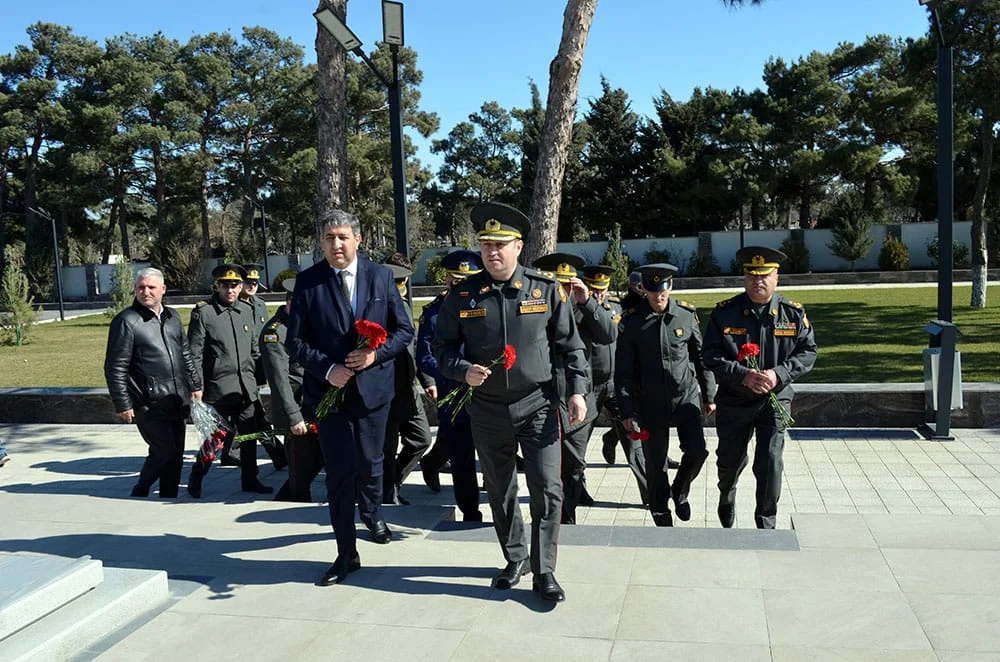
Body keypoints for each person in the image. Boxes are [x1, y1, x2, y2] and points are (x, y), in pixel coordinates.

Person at [434, 201, 589, 603]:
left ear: (519, 247)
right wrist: (461, 370)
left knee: (547, 489)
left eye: (500, 244)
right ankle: (515, 558)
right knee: (500, 490)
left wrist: (577, 390)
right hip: (487, 409)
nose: (492, 252)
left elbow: (571, 347)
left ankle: (545, 569)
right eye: (486, 244)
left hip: (537, 405)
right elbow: (442, 347)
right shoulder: (463, 295)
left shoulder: (545, 289)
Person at [285, 210, 413, 586]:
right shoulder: (308, 282)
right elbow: (295, 341)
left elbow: (403, 331)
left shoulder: (381, 276)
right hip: (330, 394)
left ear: (358, 239)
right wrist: (328, 369)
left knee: (372, 463)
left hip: (373, 391)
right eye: (329, 238)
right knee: (339, 475)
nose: (336, 244)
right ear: (321, 243)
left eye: (343, 237)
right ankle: (346, 553)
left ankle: (372, 513)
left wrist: (375, 355)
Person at [702, 246, 817, 529]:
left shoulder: (792, 314)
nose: (758, 281)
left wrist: (779, 374)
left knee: (770, 461)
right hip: (734, 399)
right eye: (752, 275)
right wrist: (742, 375)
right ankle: (726, 494)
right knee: (730, 461)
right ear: (745, 278)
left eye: (764, 275)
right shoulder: (725, 313)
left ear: (776, 277)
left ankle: (766, 522)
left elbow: (808, 352)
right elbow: (710, 355)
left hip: (774, 400)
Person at [615, 264, 716, 527]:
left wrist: (709, 395)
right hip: (650, 401)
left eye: (662, 290)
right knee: (656, 462)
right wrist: (626, 410)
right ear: (643, 289)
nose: (658, 296)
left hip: (685, 397)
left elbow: (701, 359)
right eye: (652, 291)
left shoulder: (685, 315)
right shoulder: (632, 322)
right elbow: (623, 372)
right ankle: (660, 510)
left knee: (697, 451)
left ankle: (680, 490)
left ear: (670, 286)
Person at [104, 267, 203, 498]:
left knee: (176, 454)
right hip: (147, 401)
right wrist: (122, 403)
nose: (145, 292)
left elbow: (185, 353)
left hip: (176, 398)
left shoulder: (172, 317)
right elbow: (115, 366)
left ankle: (169, 495)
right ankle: (141, 488)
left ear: (163, 289)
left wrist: (195, 385)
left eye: (151, 287)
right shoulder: (127, 321)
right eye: (141, 287)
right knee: (164, 451)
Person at [186, 263, 273, 498]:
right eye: (225, 286)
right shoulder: (204, 313)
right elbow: (193, 353)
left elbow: (255, 350)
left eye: (235, 285)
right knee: (216, 437)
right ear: (218, 286)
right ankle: (197, 476)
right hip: (219, 388)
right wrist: (196, 385)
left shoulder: (245, 310)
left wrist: (261, 379)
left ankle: (250, 480)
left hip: (246, 388)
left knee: (249, 437)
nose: (230, 290)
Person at [531, 252, 602, 525]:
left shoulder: (583, 309)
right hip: (543, 401)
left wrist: (589, 303)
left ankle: (567, 517)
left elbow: (608, 334)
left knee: (574, 466)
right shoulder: (533, 310)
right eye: (559, 285)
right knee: (547, 470)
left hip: (578, 401)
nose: (564, 291)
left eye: (568, 285)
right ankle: (553, 520)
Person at [415, 250, 484, 522]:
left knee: (491, 450)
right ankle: (470, 511)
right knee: (461, 454)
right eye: (457, 280)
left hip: (487, 390)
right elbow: (425, 357)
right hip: (454, 391)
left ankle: (432, 462)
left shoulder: (488, 305)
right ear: (447, 280)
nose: (462, 286)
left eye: (468, 280)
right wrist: (457, 374)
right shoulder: (434, 314)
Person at [579, 264, 648, 507]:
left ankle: (650, 492)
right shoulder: (576, 310)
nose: (599, 295)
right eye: (594, 289)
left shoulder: (616, 307)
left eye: (603, 290)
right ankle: (577, 490)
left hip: (616, 382)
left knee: (634, 438)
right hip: (589, 385)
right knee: (579, 443)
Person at [382, 260, 448, 505]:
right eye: (395, 282)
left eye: (402, 281)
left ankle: (394, 481)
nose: (400, 285)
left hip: (407, 386)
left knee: (421, 438)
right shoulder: (375, 308)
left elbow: (413, 347)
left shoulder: (404, 306)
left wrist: (427, 380)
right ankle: (387, 493)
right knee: (387, 447)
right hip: (385, 388)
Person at [261, 277, 325, 503]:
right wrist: (293, 417)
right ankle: (295, 504)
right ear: (290, 302)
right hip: (295, 411)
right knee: (300, 469)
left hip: (311, 405)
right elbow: (280, 381)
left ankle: (286, 498)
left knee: (316, 460)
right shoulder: (275, 333)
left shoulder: (301, 326)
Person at [242, 263, 286, 470]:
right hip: (239, 370)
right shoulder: (234, 307)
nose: (252, 286)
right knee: (254, 414)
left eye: (255, 282)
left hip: (257, 366)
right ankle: (279, 455)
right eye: (248, 282)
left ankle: (229, 452)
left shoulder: (259, 304)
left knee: (247, 413)